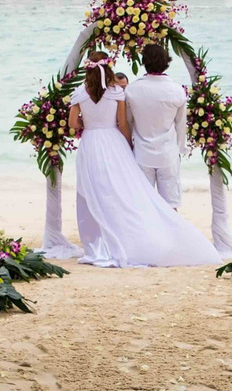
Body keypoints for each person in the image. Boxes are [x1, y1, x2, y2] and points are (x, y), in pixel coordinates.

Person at [68, 50, 222, 268]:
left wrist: (90, 126)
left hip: (97, 144)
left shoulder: (82, 93)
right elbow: (123, 124)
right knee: (129, 195)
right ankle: (157, 240)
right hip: (129, 145)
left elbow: (74, 124)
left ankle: (94, 244)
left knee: (91, 192)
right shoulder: (120, 93)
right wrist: (128, 146)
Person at [123, 42, 187, 208]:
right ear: (167, 62)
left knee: (143, 204)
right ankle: (170, 234)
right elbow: (181, 126)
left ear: (144, 62)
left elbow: (128, 122)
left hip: (142, 154)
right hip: (168, 154)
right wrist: (179, 150)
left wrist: (129, 147)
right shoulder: (177, 90)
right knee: (170, 204)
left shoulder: (132, 90)